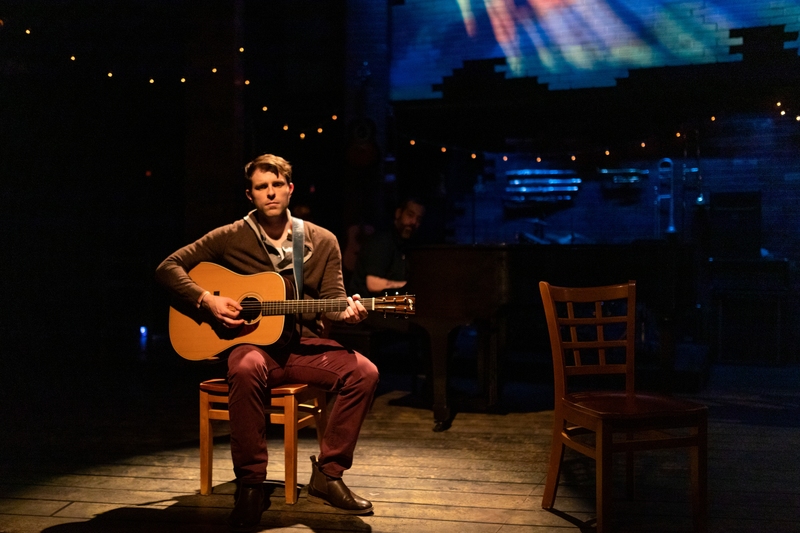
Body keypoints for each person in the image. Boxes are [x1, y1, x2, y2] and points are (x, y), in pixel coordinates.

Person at [156, 154, 378, 532]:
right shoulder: (230, 236)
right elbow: (168, 268)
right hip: (253, 348)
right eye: (262, 187)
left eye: (277, 185)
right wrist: (207, 300)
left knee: (365, 372)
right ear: (250, 194)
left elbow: (334, 300)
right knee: (244, 366)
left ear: (290, 189)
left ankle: (328, 475)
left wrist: (349, 313)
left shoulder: (322, 240)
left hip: (303, 347)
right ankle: (251, 485)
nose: (271, 193)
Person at [348, 198, 425, 298]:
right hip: (364, 304)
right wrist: (407, 286)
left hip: (384, 304)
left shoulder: (405, 244)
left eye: (418, 219)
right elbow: (373, 284)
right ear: (398, 213)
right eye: (410, 215)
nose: (414, 222)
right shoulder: (382, 241)